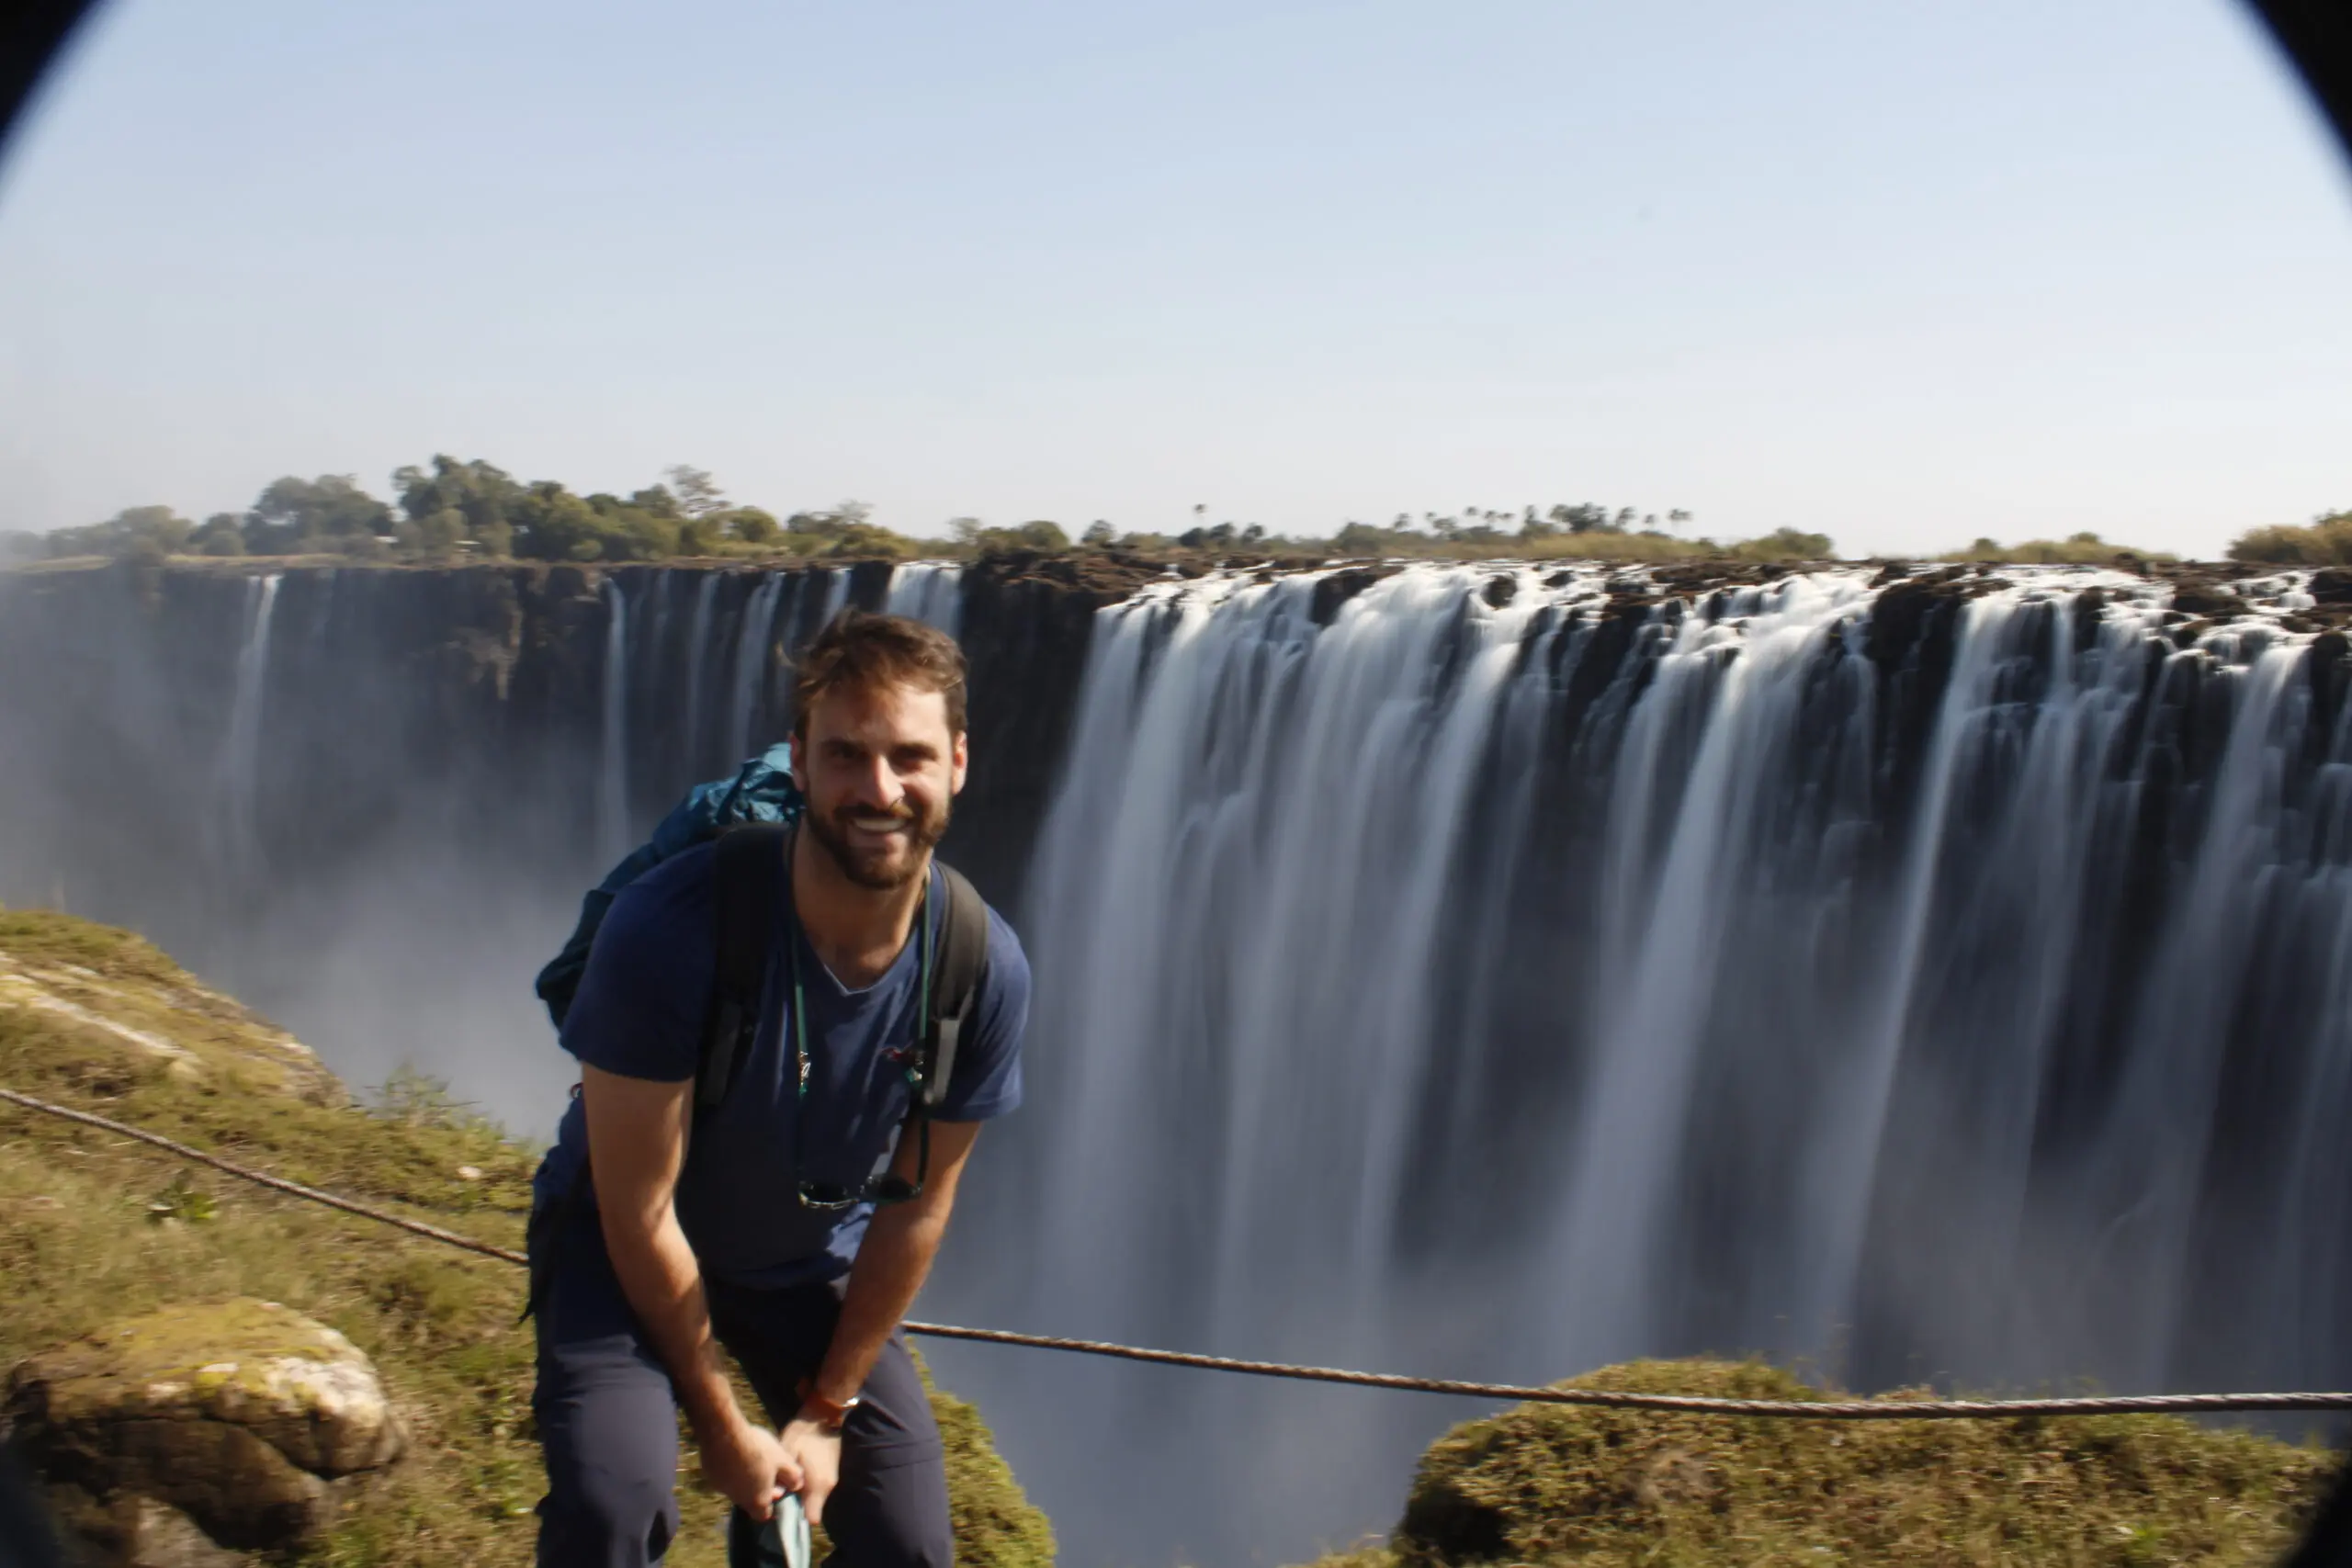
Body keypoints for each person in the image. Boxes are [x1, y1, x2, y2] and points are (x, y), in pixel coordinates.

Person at [526, 611, 1029, 1568]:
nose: (879, 789)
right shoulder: (670, 930)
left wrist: (826, 1412)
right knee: (612, 1506)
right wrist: (722, 1426)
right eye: (846, 755)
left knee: (907, 1544)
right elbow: (636, 1213)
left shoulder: (977, 966)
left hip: (804, 1266)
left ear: (957, 763)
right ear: (798, 763)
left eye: (909, 757)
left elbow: (916, 1206)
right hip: (614, 1250)